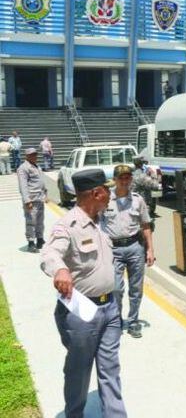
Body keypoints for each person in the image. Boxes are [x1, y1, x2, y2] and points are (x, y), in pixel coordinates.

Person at [40, 169, 127, 418]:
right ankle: (75, 414)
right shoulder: (68, 225)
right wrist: (60, 270)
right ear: (96, 193)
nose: (110, 194)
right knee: (79, 372)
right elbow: (50, 254)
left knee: (110, 369)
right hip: (81, 313)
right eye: (107, 190)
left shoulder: (103, 220)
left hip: (110, 308)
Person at [101, 164, 155, 339]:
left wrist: (150, 250)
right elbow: (96, 224)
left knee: (136, 288)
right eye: (121, 178)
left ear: (131, 179)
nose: (125, 181)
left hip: (134, 247)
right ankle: (116, 321)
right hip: (113, 248)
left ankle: (133, 322)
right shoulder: (105, 200)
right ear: (115, 180)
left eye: (127, 178)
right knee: (115, 288)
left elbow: (146, 225)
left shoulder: (138, 200)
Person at [17, 148, 47, 253]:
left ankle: (40, 239)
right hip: (31, 200)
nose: (34, 156)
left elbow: (41, 182)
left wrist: (45, 194)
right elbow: (23, 185)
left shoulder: (37, 166)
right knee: (31, 221)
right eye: (31, 155)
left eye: (35, 154)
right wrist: (27, 201)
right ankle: (30, 242)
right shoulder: (23, 168)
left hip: (40, 198)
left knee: (40, 221)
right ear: (27, 156)